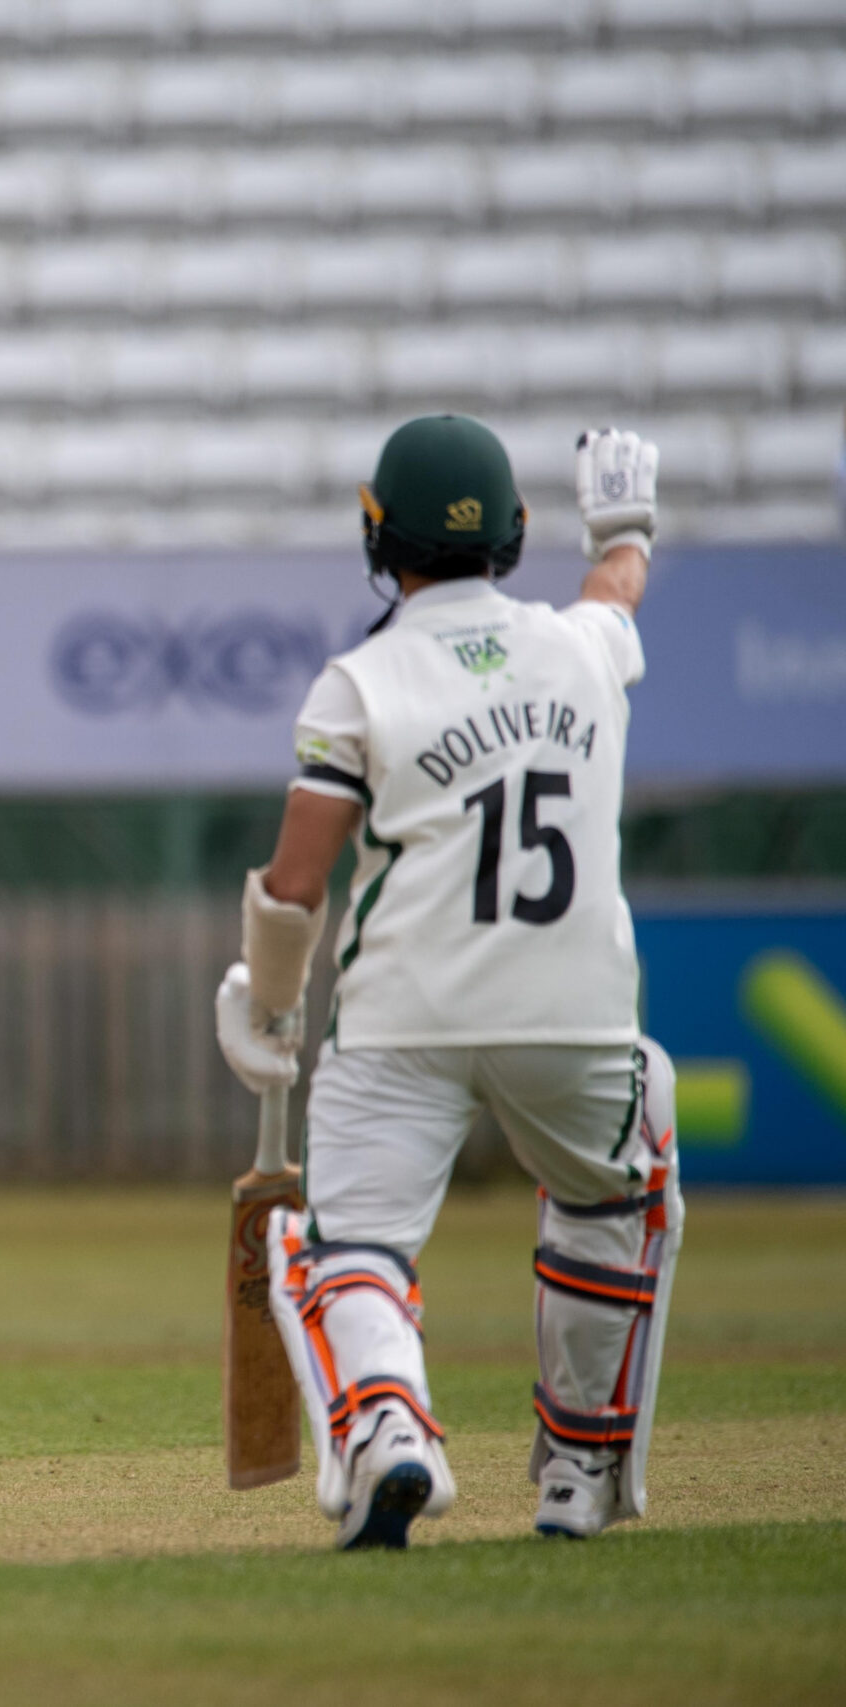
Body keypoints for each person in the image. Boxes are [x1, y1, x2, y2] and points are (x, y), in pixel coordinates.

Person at [214, 417, 683, 1549]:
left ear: (379, 537)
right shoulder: (581, 647)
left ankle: (388, 1428)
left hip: (405, 1018)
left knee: (350, 1249)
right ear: (512, 533)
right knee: (610, 1208)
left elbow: (294, 885)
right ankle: (576, 1470)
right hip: (574, 1012)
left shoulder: (357, 683)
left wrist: (268, 1003)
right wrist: (624, 522)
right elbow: (616, 588)